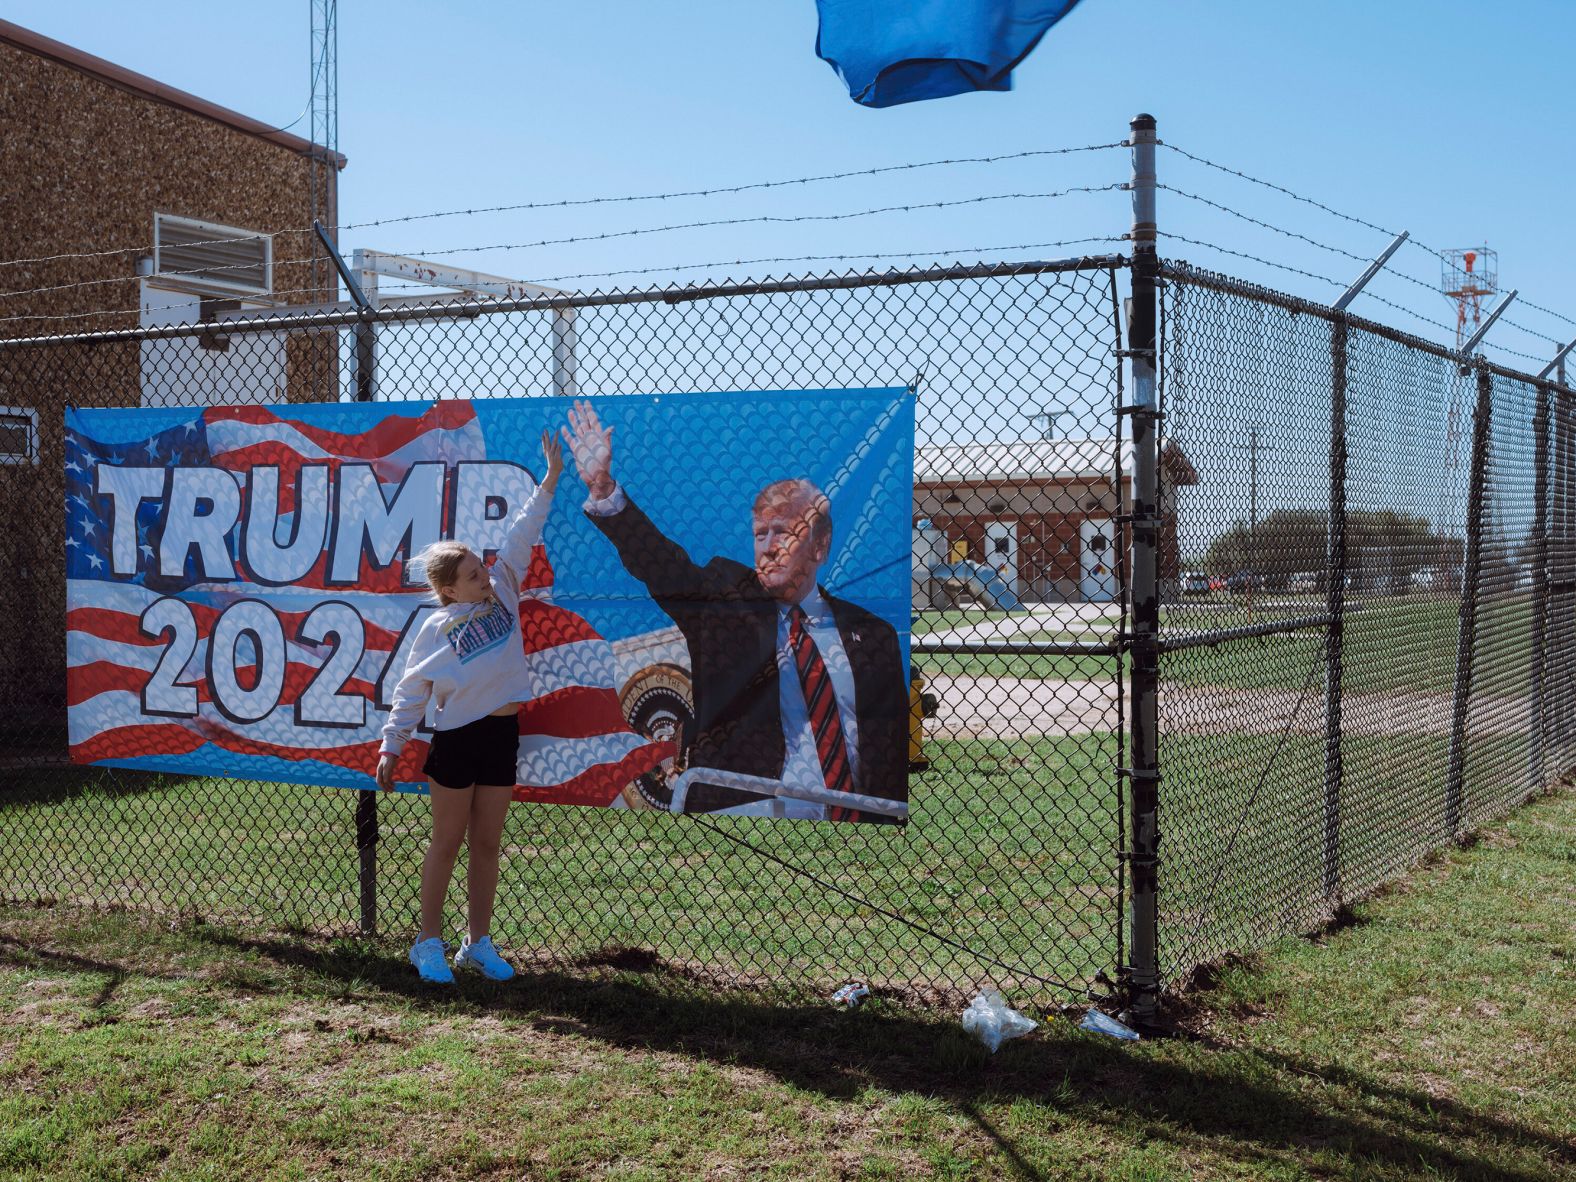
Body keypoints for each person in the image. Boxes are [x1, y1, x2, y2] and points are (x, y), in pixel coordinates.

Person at [561, 400, 907, 822]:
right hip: (749, 808)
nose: (769, 544)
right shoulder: (724, 599)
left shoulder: (872, 635)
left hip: (857, 817)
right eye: (761, 533)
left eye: (786, 531)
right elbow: (663, 566)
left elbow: (886, 746)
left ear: (819, 546)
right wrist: (604, 491)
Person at [375, 430, 564, 984]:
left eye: (482, 568)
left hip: (501, 737)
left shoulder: (504, 587)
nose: (484, 576)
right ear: (449, 590)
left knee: (487, 842)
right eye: (473, 575)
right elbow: (412, 691)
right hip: (456, 740)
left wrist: (549, 482)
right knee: (448, 840)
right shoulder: (435, 628)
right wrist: (392, 744)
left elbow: (522, 533)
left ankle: (476, 943)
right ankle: (425, 943)